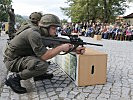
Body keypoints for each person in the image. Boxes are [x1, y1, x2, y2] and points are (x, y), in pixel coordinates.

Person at [3, 14, 85, 94]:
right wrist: (61, 48)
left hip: (21, 56)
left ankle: (38, 75)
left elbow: (55, 43)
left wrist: (75, 49)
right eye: (53, 28)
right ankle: (14, 79)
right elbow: (44, 56)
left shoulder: (41, 33)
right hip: (12, 61)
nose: (55, 31)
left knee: (40, 55)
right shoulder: (34, 34)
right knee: (42, 65)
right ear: (45, 27)